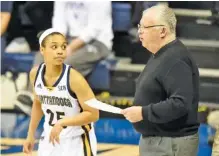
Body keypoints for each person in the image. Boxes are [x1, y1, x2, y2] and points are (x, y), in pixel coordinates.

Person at [122, 4, 200, 156]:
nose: (139, 31)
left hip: (169, 144)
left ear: (163, 31)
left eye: (144, 27)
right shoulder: (161, 54)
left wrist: (144, 113)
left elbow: (180, 103)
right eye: (139, 26)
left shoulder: (175, 58)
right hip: (161, 142)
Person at [23, 28, 99, 156]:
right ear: (42, 50)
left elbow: (93, 114)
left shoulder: (74, 78)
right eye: (54, 47)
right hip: (50, 137)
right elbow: (38, 103)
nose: (60, 51)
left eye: (63, 47)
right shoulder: (35, 74)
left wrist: (63, 123)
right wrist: (30, 135)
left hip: (77, 140)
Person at [33, 1, 113, 77]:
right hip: (69, 38)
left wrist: (70, 49)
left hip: (98, 42)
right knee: (42, 56)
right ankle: (33, 90)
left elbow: (94, 29)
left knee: (64, 64)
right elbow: (59, 22)